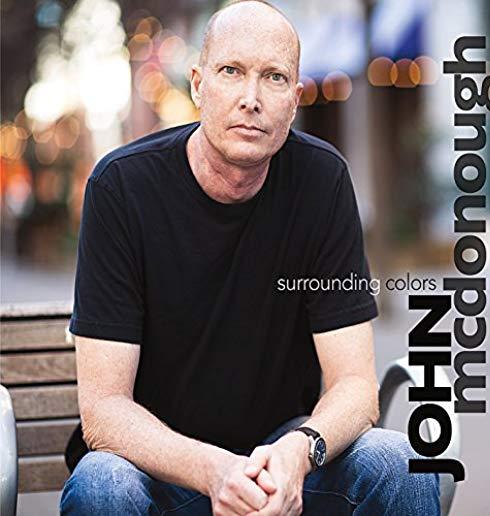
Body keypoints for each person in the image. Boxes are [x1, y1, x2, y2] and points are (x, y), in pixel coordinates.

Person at [60, 1, 440, 514]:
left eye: (274, 77)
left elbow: (355, 386)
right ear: (198, 84)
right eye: (231, 72)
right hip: (159, 470)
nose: (251, 99)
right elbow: (105, 410)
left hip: (281, 459)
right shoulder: (122, 188)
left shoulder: (322, 181)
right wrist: (215, 471)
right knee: (102, 483)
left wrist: (300, 451)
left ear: (295, 99)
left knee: (401, 461)